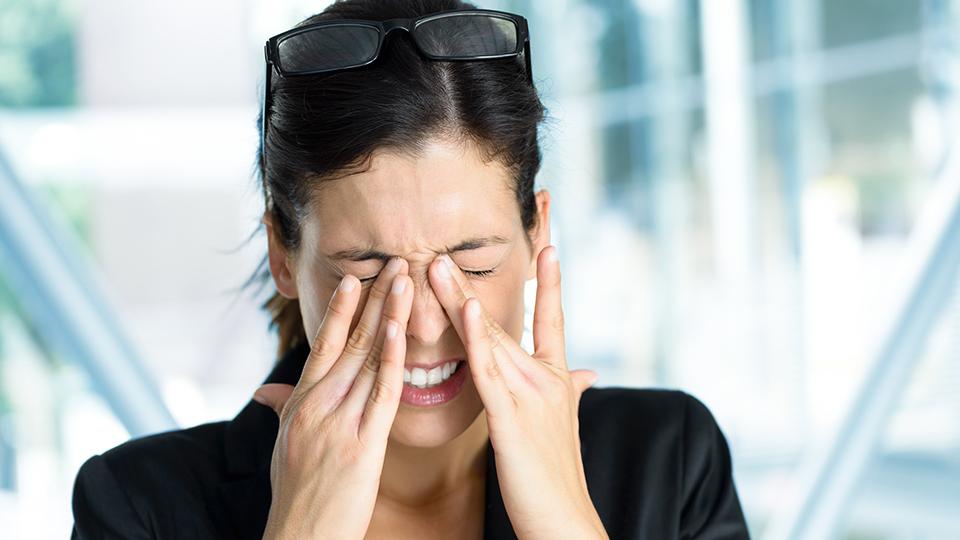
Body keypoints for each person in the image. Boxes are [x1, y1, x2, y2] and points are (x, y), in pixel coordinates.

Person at [70, 0, 750, 538]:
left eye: (471, 262)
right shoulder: (138, 507)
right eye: (367, 269)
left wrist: (565, 525)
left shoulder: (670, 461)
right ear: (283, 253)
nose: (425, 326)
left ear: (537, 228)